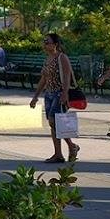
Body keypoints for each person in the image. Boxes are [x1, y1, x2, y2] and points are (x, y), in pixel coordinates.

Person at [29, 33, 80, 164]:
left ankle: (71, 146)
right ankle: (59, 154)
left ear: (55, 44)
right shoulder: (47, 59)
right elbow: (44, 79)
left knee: (54, 121)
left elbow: (68, 76)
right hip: (49, 94)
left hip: (59, 93)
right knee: (54, 124)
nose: (45, 44)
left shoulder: (61, 58)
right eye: (44, 42)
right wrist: (35, 96)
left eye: (48, 42)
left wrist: (65, 93)